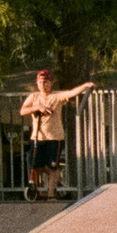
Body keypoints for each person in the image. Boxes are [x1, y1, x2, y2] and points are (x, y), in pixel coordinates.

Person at [20, 70, 97, 200]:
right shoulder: (34, 97)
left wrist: (85, 86)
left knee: (53, 166)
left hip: (55, 138)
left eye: (46, 82)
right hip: (38, 137)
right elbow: (23, 111)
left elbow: (71, 93)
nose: (43, 85)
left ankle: (51, 194)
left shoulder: (56, 96)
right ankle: (49, 183)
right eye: (40, 82)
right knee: (35, 165)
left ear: (51, 83)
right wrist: (37, 108)